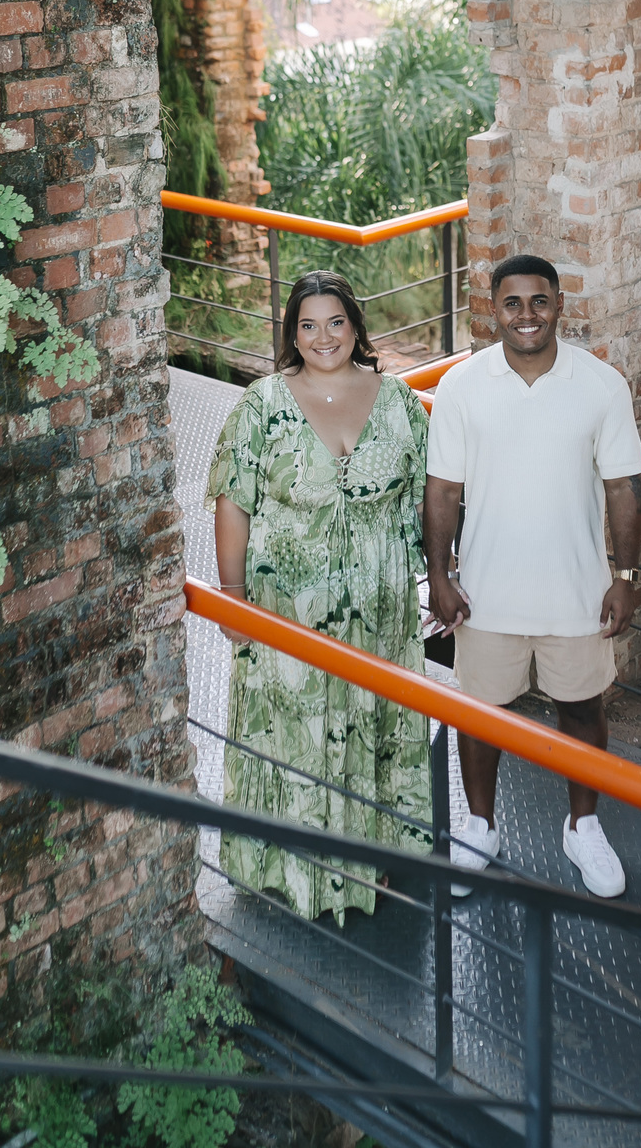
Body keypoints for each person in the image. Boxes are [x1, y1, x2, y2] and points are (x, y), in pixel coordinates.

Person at [206, 269, 432, 922]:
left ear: (357, 327)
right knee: (292, 735)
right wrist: (231, 597)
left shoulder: (398, 401)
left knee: (377, 722)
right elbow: (233, 501)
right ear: (292, 334)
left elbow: (429, 495)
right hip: (288, 614)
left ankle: (373, 855)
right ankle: (293, 866)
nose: (323, 337)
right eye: (307, 325)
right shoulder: (262, 404)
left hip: (379, 614)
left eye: (335, 322)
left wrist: (441, 577)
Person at [423, 253, 641, 899]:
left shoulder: (602, 385)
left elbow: (624, 487)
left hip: (576, 592)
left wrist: (625, 576)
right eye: (513, 303)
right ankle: (481, 828)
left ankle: (583, 827)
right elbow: (442, 491)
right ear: (494, 309)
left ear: (559, 306)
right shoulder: (462, 386)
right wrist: (440, 576)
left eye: (539, 301)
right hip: (486, 592)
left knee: (582, 709)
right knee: (481, 714)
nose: (527, 315)